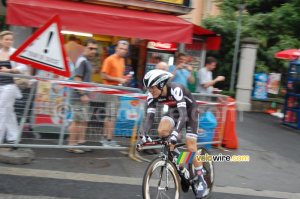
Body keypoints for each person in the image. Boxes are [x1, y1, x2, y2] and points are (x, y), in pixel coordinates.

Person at [137, 69, 208, 199]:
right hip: (174, 111)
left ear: (161, 85)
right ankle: (180, 165)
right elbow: (150, 117)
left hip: (190, 111)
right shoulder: (151, 95)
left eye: (152, 87)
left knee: (190, 145)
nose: (150, 91)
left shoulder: (175, 89)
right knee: (162, 131)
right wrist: (144, 136)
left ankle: (201, 179)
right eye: (148, 88)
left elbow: (184, 114)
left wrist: (175, 134)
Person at [66, 38, 98, 154]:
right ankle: (71, 144)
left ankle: (81, 142)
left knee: (83, 120)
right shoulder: (82, 60)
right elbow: (77, 79)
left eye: (95, 49)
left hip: (83, 96)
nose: (93, 51)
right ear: (85, 48)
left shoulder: (86, 60)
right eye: (91, 48)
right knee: (77, 121)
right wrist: (83, 94)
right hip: (79, 96)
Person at [100, 40, 129, 147]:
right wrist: (118, 79)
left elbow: (118, 77)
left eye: (125, 49)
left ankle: (106, 138)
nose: (122, 51)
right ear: (116, 48)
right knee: (111, 115)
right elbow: (103, 75)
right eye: (121, 48)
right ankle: (107, 139)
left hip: (116, 89)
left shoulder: (122, 61)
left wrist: (123, 80)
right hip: (110, 89)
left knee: (111, 115)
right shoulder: (110, 59)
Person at [0, 31, 27, 145]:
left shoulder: (15, 52)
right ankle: (14, 137)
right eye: (6, 39)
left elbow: (23, 67)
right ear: (1, 40)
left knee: (1, 111)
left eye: (11, 39)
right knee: (9, 112)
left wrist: (9, 71)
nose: (9, 41)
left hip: (9, 86)